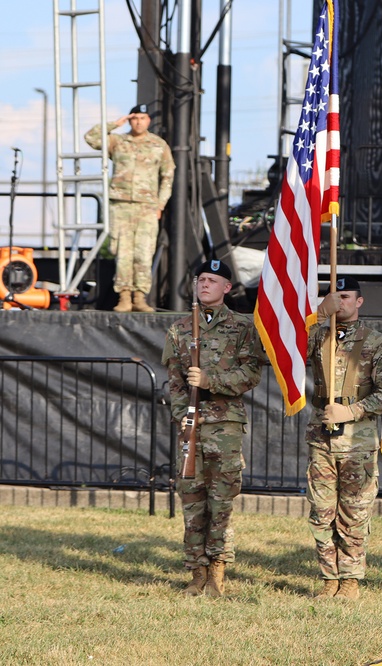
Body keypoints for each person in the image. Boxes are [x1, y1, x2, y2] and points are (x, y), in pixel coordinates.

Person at [162, 259, 263, 597]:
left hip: (225, 427)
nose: (204, 284)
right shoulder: (179, 329)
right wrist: (184, 415)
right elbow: (174, 382)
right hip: (191, 427)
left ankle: (218, 570)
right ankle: (197, 571)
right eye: (201, 279)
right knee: (191, 500)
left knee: (221, 502)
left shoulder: (242, 328)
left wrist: (211, 381)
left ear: (227, 288)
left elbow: (251, 375)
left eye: (212, 280)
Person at [305, 276, 382, 601]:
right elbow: (286, 348)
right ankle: (329, 577)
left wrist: (350, 412)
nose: (340, 302)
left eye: (346, 296)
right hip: (321, 438)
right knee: (321, 510)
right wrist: (318, 315)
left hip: (358, 441)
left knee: (354, 511)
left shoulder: (375, 342)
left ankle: (350, 579)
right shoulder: (318, 338)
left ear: (359, 302)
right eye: (335, 296)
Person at [85, 103, 175, 313]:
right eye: (134, 118)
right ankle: (124, 297)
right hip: (121, 205)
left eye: (142, 118)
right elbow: (91, 138)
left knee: (143, 252)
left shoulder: (158, 145)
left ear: (148, 121)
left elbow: (168, 175)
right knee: (123, 252)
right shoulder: (118, 142)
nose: (138, 122)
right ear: (130, 119)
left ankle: (140, 297)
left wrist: (160, 203)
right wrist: (114, 124)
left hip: (146, 207)